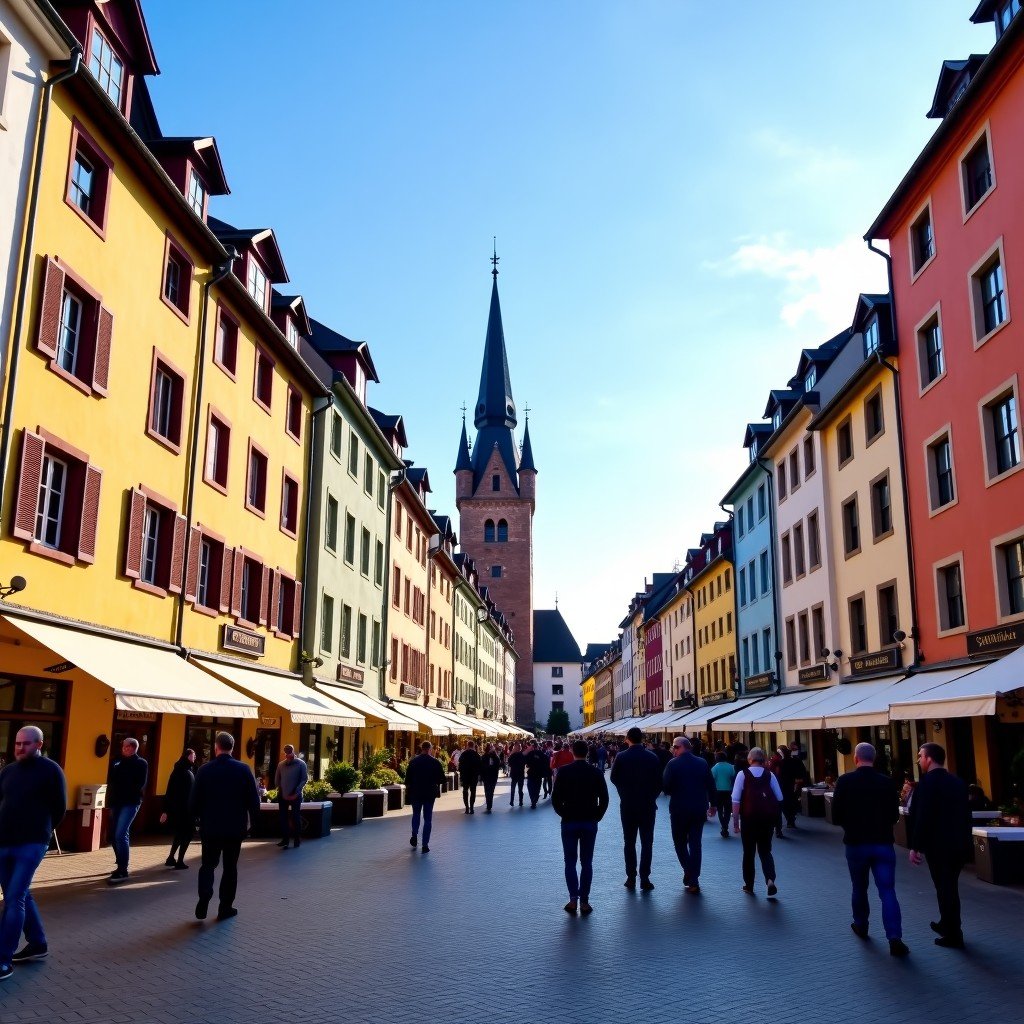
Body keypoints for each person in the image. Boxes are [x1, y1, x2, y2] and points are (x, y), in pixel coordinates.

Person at [0, 726, 66, 982]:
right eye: (17, 743)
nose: (20, 748)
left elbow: (59, 808)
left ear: (39, 744)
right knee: (18, 894)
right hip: (4, 842)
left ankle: (3, 959)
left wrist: (44, 832)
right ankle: (38, 943)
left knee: (13, 898)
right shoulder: (8, 772)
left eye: (26, 744)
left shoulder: (51, 770)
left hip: (32, 843)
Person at [830, 742, 909, 957]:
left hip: (856, 844)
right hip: (883, 843)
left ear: (856, 758)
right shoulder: (886, 783)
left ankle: (861, 924)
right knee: (888, 891)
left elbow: (836, 816)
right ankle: (895, 938)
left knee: (859, 887)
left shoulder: (845, 781)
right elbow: (894, 816)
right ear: (874, 759)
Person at [190, 732, 260, 921]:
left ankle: (204, 897)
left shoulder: (204, 770)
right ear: (233, 747)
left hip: (210, 827)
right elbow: (254, 801)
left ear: (216, 747)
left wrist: (196, 822)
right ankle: (225, 907)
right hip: (234, 828)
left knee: (208, 865)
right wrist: (254, 824)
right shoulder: (243, 769)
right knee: (230, 868)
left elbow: (194, 801)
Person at [907, 742, 970, 949]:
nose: (918, 760)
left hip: (938, 846)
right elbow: (965, 815)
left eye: (920, 756)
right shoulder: (958, 783)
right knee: (948, 886)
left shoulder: (926, 784)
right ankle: (947, 923)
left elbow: (921, 817)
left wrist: (915, 846)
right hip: (958, 845)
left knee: (945, 888)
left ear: (929, 759)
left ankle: (953, 933)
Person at [552, 739, 609, 915]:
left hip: (569, 822)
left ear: (572, 752)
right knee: (587, 862)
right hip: (589, 822)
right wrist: (597, 816)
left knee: (569, 862)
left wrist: (564, 813)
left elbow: (555, 798)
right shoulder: (596, 772)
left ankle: (572, 899)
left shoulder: (563, 771)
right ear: (587, 752)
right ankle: (584, 901)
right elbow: (605, 799)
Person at [662, 736, 716, 894]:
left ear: (681, 747)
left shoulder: (672, 764)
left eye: (674, 747)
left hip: (679, 810)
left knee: (679, 843)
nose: (673, 750)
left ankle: (689, 871)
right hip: (699, 809)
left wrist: (673, 791)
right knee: (695, 844)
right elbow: (711, 785)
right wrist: (713, 804)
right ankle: (694, 878)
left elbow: (666, 786)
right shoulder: (702, 763)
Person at [610, 726, 662, 891]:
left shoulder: (621, 757)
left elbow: (613, 778)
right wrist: (651, 796)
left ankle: (631, 877)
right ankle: (645, 878)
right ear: (642, 739)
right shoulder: (652, 757)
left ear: (628, 739)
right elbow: (659, 782)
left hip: (628, 805)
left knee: (629, 842)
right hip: (647, 805)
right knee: (647, 843)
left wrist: (624, 792)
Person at [731, 747, 783, 896]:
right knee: (765, 851)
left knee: (748, 853)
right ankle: (770, 879)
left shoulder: (743, 774)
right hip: (766, 820)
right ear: (763, 759)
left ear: (749, 759)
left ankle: (749, 885)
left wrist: (735, 822)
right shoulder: (770, 775)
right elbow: (779, 797)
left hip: (748, 820)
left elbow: (735, 799)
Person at [105, 736, 148, 884]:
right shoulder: (117, 761)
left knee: (121, 834)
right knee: (114, 834)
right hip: (116, 802)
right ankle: (120, 863)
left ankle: (123, 869)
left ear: (132, 748)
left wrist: (124, 788)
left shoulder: (141, 763)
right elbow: (111, 781)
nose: (123, 749)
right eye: (123, 746)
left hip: (130, 803)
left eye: (125, 747)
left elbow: (139, 784)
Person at [405, 741, 446, 852]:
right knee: (428, 819)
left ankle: (414, 834)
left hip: (416, 793)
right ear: (430, 749)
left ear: (421, 748)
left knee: (416, 814)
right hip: (429, 794)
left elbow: (407, 779)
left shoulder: (413, 762)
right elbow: (442, 779)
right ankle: (425, 845)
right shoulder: (435, 762)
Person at [160, 749, 196, 868]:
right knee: (188, 834)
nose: (194, 757)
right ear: (187, 756)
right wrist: (166, 809)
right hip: (184, 809)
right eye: (193, 755)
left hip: (182, 808)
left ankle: (171, 858)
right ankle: (179, 861)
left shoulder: (184, 769)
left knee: (180, 834)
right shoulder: (182, 770)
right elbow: (171, 790)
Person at [274, 745, 308, 849]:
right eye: (286, 753)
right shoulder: (281, 765)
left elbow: (304, 779)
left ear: (293, 752)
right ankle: (285, 840)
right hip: (283, 794)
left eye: (290, 753)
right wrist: (279, 788)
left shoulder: (301, 764)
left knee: (295, 816)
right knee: (283, 818)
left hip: (296, 795)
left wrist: (297, 790)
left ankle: (297, 839)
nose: (288, 755)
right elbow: (277, 779)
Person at [779, 742, 807, 830]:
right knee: (792, 801)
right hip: (794, 784)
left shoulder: (781, 762)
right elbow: (803, 772)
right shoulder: (796, 760)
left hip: (785, 785)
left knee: (785, 803)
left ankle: (790, 819)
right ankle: (791, 819)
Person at [711, 751, 736, 838]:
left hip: (718, 792)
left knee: (720, 810)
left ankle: (723, 826)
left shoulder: (714, 768)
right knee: (728, 810)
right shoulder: (731, 767)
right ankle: (726, 824)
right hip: (728, 791)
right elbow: (733, 776)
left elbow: (712, 779)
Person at [458, 740, 482, 814]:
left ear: (468, 745)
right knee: (473, 791)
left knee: (465, 791)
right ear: (474, 746)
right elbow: (480, 766)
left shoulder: (463, 754)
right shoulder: (477, 755)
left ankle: (467, 808)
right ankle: (472, 807)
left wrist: (461, 775)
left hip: (465, 776)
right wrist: (478, 775)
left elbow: (460, 766)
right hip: (474, 776)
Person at [525, 740, 548, 809]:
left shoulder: (530, 753)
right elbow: (546, 762)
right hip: (539, 773)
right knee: (537, 787)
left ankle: (533, 800)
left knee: (531, 787)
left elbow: (527, 764)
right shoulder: (542, 754)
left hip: (531, 773)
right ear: (538, 746)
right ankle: (535, 799)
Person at [480, 743, 501, 813]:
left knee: (491, 791)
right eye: (491, 747)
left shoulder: (495, 756)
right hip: (486, 776)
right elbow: (481, 767)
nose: (493, 748)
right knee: (487, 791)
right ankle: (488, 803)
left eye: (493, 747)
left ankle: (489, 804)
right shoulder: (484, 756)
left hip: (493, 776)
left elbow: (498, 765)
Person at [507, 741, 526, 807]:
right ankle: (520, 802)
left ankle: (513, 801)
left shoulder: (514, 755)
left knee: (514, 789)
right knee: (519, 789)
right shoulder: (522, 755)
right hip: (519, 774)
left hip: (515, 774)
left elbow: (509, 762)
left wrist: (512, 752)